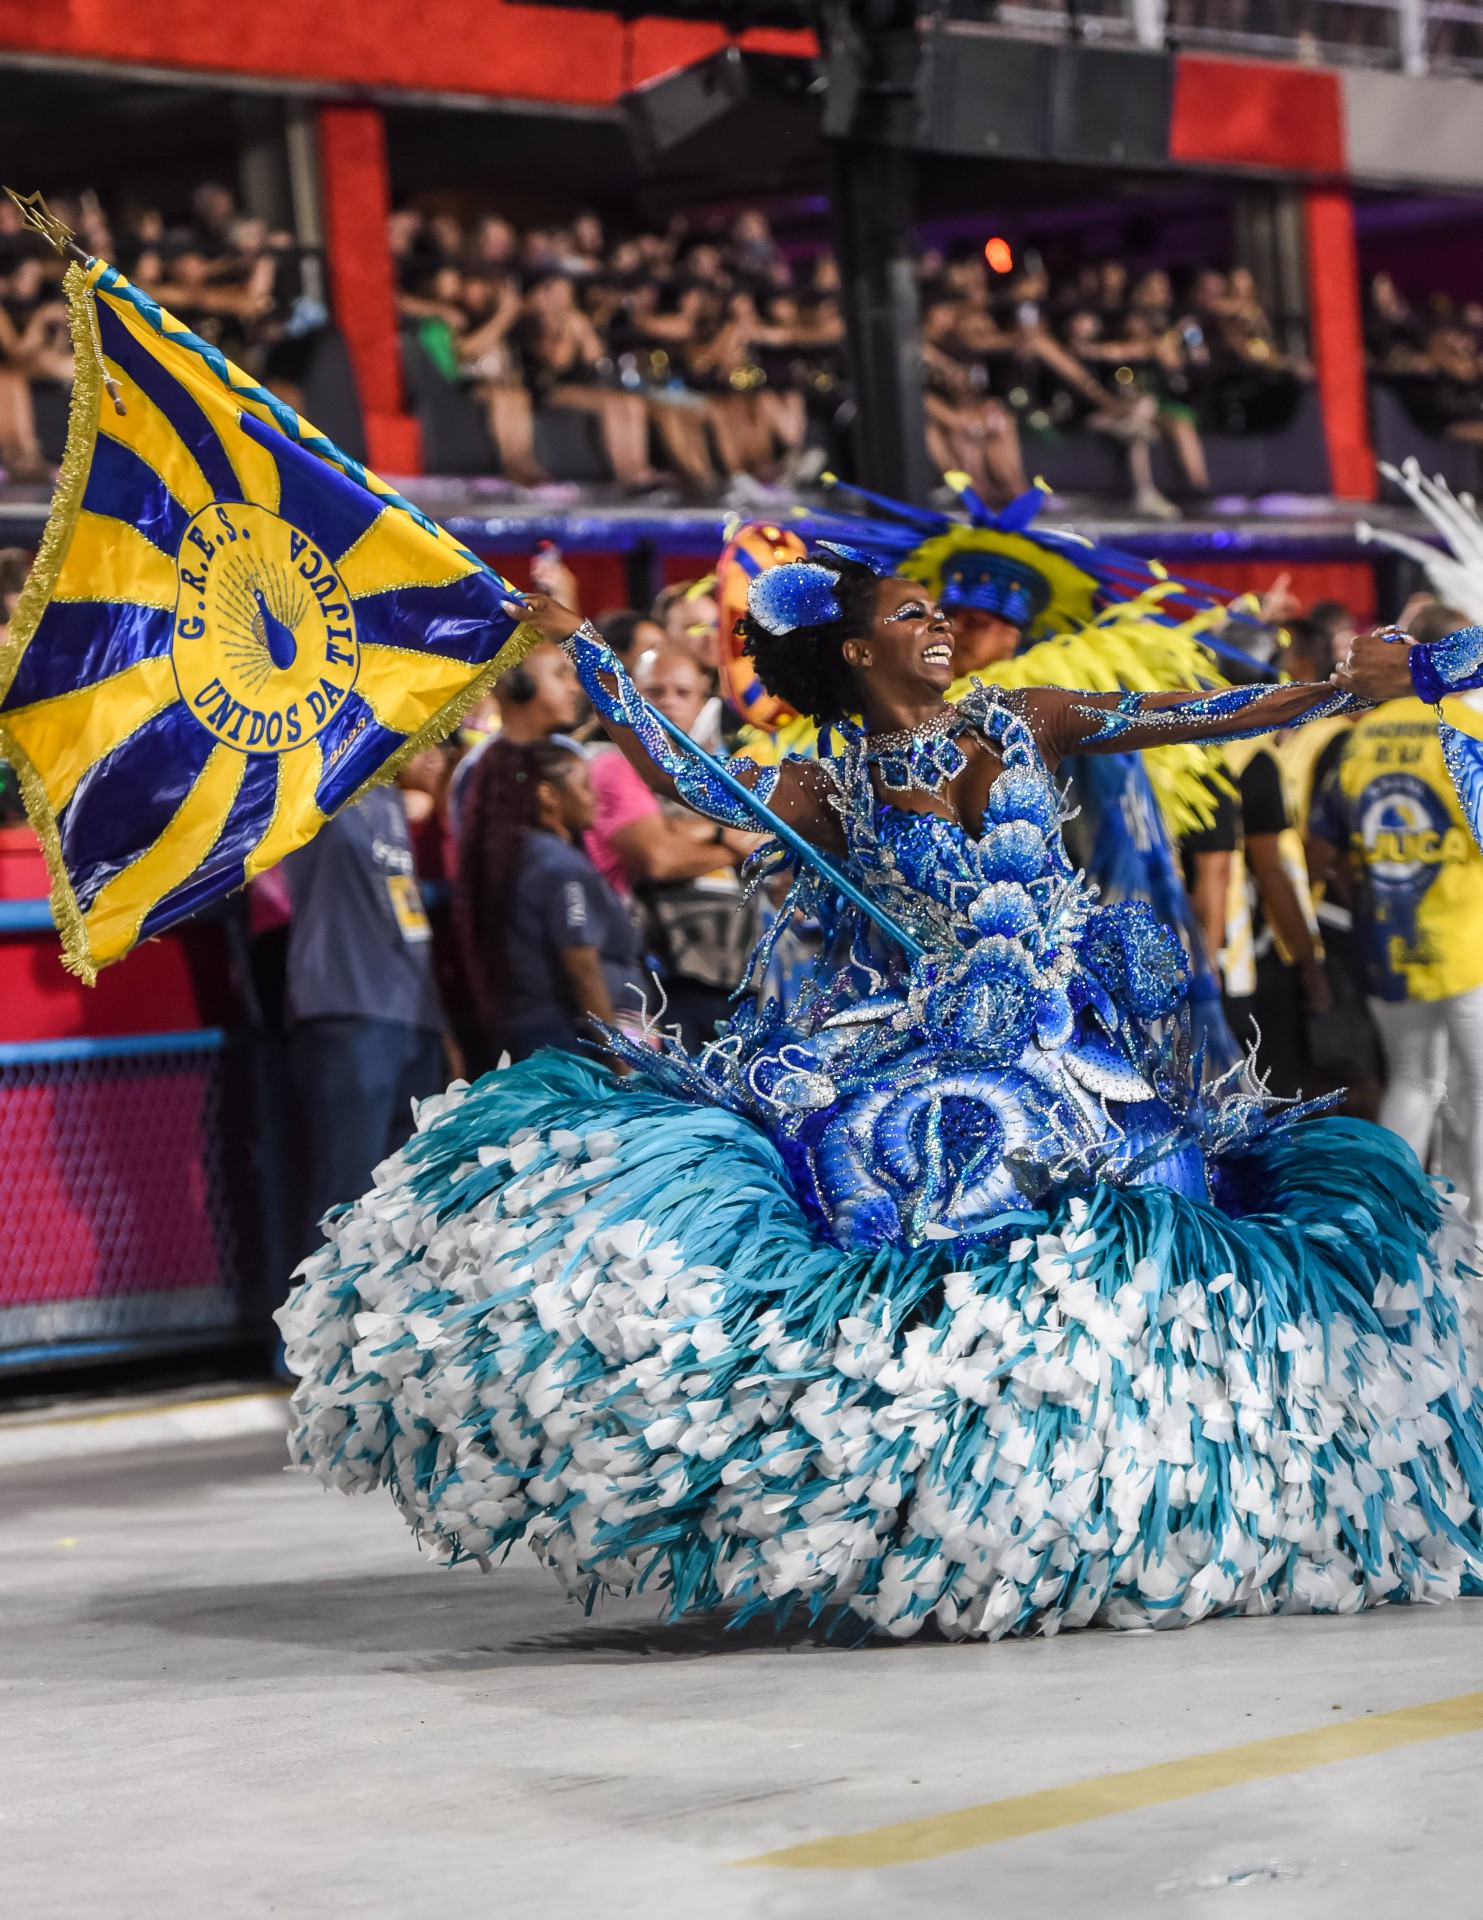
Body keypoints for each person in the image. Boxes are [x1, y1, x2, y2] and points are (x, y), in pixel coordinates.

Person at [280, 577, 1483, 1646]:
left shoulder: (1028, 718)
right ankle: (978, 1509)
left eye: (936, 612)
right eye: (910, 615)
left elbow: (1202, 716)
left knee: (1156, 1230)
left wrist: (1341, 687)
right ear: (854, 653)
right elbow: (697, 787)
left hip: (1074, 1046)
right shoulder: (825, 780)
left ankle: (1169, 1494)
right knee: (943, 1232)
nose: (939, 628)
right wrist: (596, 659)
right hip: (934, 1056)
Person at [1310, 632, 1483, 1224]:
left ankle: (1387, 1227)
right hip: (1468, 944)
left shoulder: (1364, 737)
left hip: (1389, 942)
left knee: (1413, 1083)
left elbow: (1324, 840)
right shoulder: (1467, 727)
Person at [282, 780, 447, 1255]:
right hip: (347, 1011)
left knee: (409, 1197)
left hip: (414, 1020)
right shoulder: (320, 786)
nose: (435, 743)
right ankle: (308, 1330)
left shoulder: (393, 800)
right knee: (346, 1196)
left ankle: (384, 1327)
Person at [457, 735, 649, 1062]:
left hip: (537, 1033)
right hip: (560, 1041)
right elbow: (583, 970)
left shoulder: (525, 854)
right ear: (548, 794)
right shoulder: (558, 864)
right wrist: (619, 1057)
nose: (595, 796)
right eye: (585, 786)